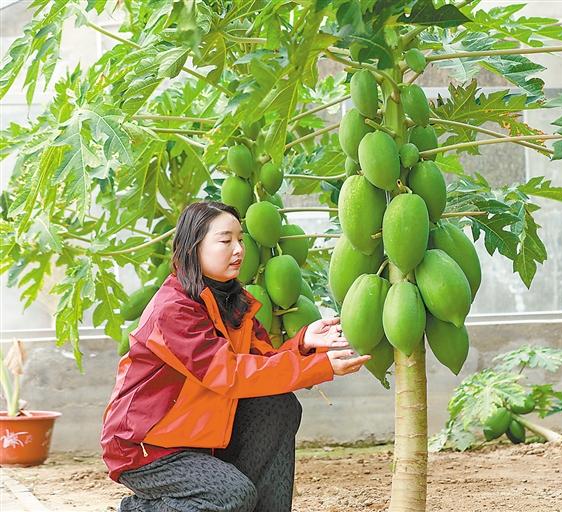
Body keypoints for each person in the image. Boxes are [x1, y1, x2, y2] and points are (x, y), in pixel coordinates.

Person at [101, 201, 370, 512]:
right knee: (231, 495)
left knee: (277, 404)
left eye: (240, 239)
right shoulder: (173, 310)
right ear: (193, 247)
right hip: (145, 447)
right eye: (225, 240)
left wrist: (303, 343)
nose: (239, 249)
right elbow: (227, 373)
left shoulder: (234, 301)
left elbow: (263, 365)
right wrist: (320, 367)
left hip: (198, 438)